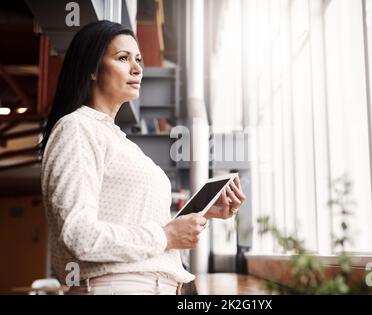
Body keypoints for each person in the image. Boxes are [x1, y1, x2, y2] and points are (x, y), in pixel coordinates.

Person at [40, 20, 246, 295]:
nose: (137, 68)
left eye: (138, 59)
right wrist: (165, 235)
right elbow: (79, 235)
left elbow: (137, 223)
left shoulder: (121, 141)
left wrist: (200, 213)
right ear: (92, 69)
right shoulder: (77, 128)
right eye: (123, 58)